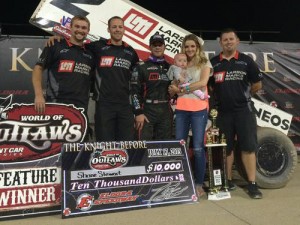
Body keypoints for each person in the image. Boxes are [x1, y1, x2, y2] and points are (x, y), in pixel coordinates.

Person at [47, 16, 139, 142]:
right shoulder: (97, 47)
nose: (117, 29)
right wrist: (59, 38)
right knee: (104, 143)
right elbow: (76, 43)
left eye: (120, 27)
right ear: (108, 29)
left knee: (128, 144)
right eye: (114, 27)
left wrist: (138, 110)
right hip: (104, 104)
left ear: (124, 30)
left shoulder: (131, 52)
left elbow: (137, 81)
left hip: (125, 106)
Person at [32, 15, 95, 169]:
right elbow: (38, 69)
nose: (80, 30)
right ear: (70, 28)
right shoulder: (56, 45)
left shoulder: (90, 54)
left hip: (81, 109)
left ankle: (72, 186)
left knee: (78, 151)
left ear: (88, 31)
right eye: (77, 27)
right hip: (57, 105)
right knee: (55, 151)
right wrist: (39, 95)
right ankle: (55, 185)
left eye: (84, 28)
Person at [209, 28, 263, 199]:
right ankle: (228, 180)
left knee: (248, 147)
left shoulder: (246, 61)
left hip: (243, 111)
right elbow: (209, 86)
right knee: (227, 148)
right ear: (220, 43)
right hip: (223, 113)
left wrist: (242, 97)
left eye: (231, 39)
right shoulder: (214, 62)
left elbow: (257, 84)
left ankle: (252, 184)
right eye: (225, 40)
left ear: (237, 41)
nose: (228, 42)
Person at [168, 34, 212, 197]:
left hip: (199, 109)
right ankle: (182, 182)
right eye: (187, 46)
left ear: (198, 47)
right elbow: (175, 82)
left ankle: (199, 184)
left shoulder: (204, 62)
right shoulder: (181, 63)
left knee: (198, 148)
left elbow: (203, 83)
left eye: (192, 46)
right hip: (181, 109)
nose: (189, 49)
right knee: (180, 146)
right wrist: (173, 87)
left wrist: (181, 90)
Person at [131, 33, 173, 140]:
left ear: (164, 47)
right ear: (150, 47)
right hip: (147, 111)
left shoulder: (171, 67)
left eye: (160, 44)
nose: (157, 47)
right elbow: (134, 92)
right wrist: (138, 112)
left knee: (163, 147)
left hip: (165, 110)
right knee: (143, 147)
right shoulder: (141, 66)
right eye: (154, 45)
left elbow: (175, 89)